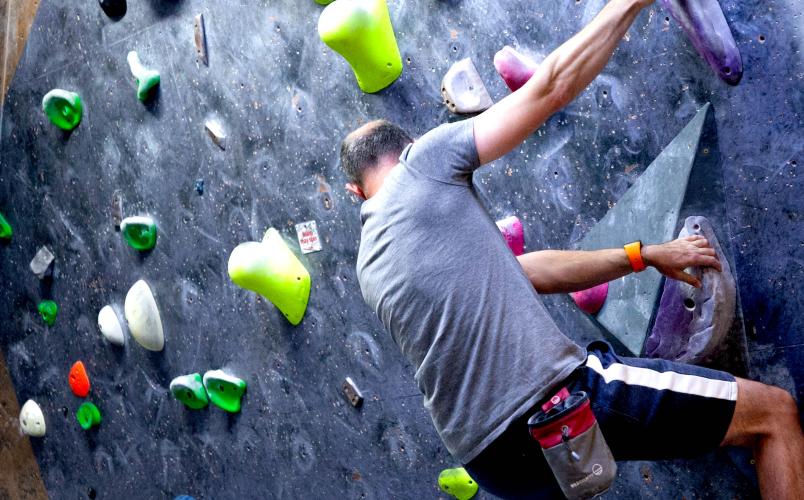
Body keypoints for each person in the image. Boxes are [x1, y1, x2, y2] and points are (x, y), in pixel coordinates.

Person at [339, 0, 804, 497]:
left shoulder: (371, 264)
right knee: (774, 414)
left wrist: (641, 255)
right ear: (408, 147)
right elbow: (552, 85)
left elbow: (523, 271)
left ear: (354, 193)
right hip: (550, 403)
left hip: (489, 460)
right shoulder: (422, 164)